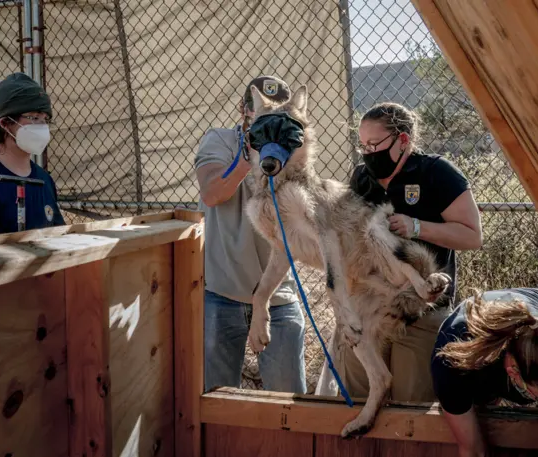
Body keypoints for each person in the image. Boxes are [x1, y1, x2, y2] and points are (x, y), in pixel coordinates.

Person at [317, 101, 482, 401]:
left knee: (411, 409)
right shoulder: (361, 178)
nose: (368, 153)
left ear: (403, 140)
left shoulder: (437, 173)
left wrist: (417, 227)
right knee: (356, 401)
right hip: (368, 309)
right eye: (363, 146)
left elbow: (472, 236)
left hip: (420, 311)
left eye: (375, 144)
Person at [194, 75, 307, 394]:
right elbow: (212, 194)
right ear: (243, 111)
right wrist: (246, 160)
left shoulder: (293, 148)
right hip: (222, 293)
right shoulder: (219, 140)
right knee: (216, 397)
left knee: (288, 400)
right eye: (260, 117)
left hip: (278, 296)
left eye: (280, 119)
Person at [432, 288, 538, 457]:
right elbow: (473, 451)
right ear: (514, 372)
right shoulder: (451, 366)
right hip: (470, 358)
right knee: (482, 409)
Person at [0, 72, 64, 239]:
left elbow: (59, 237)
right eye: (35, 118)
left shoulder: (44, 181)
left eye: (46, 119)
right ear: (5, 123)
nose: (43, 127)